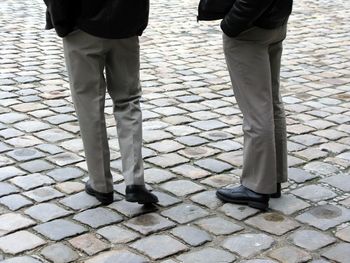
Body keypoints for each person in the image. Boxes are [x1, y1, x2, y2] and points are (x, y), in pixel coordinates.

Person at [43, 0, 158, 205]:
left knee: (89, 107)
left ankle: (101, 184)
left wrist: (62, 22)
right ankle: (135, 181)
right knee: (128, 100)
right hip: (125, 25)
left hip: (82, 27)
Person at [213, 0, 293, 210]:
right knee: (271, 102)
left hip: (250, 29)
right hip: (274, 22)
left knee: (257, 109)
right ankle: (271, 179)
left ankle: (257, 187)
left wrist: (231, 25)